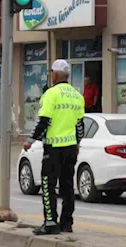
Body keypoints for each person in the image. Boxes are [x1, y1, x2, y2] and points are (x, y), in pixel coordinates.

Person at [24, 59, 85, 235]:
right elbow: (79, 124)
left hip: (53, 148)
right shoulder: (76, 95)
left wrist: (30, 140)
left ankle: (50, 222)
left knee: (48, 185)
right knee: (67, 186)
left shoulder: (51, 94)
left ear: (56, 74)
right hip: (71, 148)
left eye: (51, 72)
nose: (51, 75)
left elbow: (44, 121)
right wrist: (77, 143)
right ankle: (66, 223)